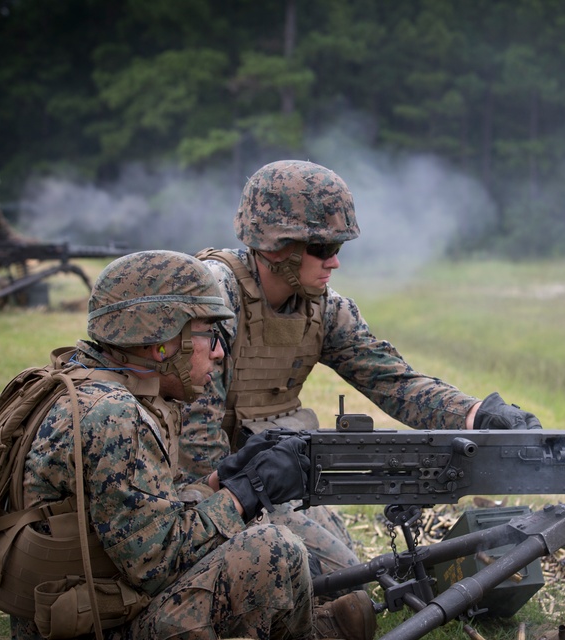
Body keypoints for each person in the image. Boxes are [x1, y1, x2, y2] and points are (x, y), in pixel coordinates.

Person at [0, 250, 373, 640]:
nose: (219, 353)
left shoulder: (90, 383)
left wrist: (223, 479)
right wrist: (245, 493)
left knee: (256, 527)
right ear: (161, 340)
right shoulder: (115, 417)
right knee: (270, 547)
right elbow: (156, 563)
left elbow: (144, 511)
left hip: (88, 617)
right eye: (207, 335)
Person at [183, 159, 542, 580]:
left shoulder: (325, 309)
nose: (334, 263)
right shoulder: (214, 297)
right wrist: (223, 509)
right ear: (277, 246)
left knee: (344, 570)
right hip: (208, 487)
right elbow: (194, 437)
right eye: (323, 249)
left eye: (338, 249)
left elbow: (393, 381)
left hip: (272, 476)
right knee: (338, 582)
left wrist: (477, 414)